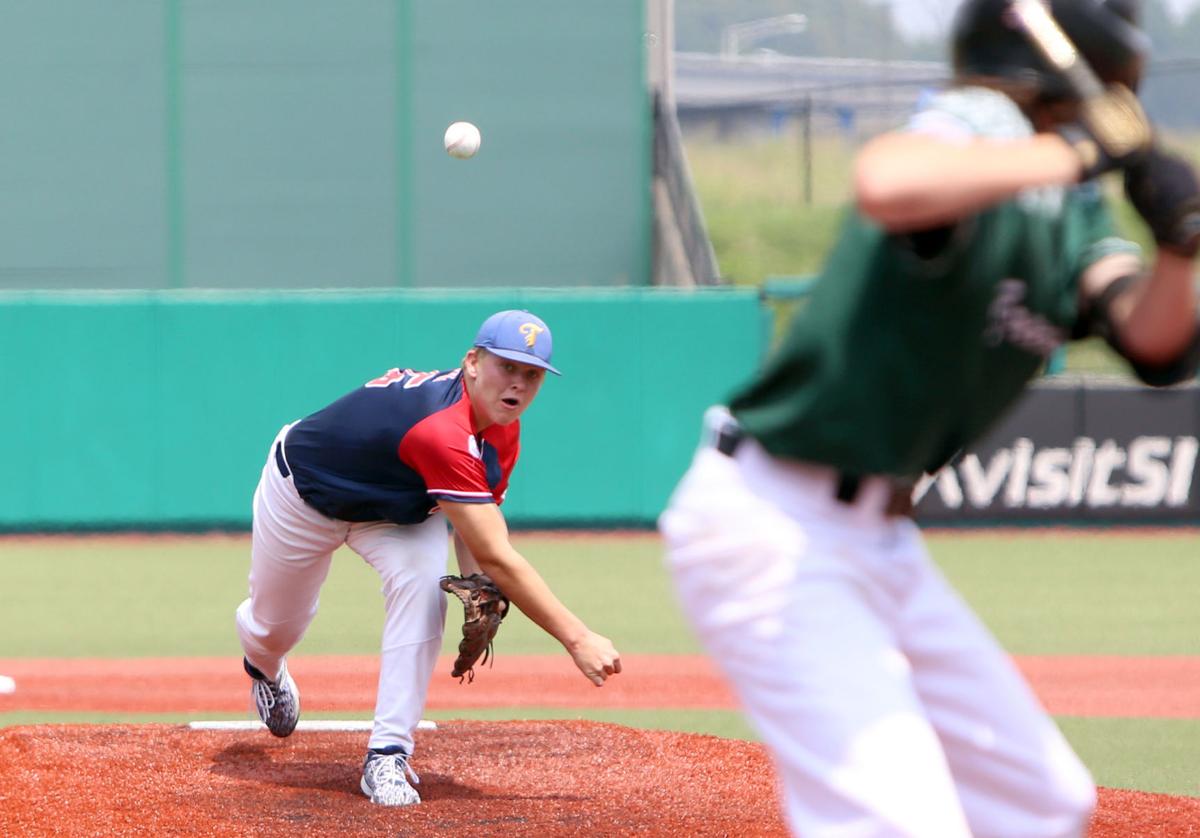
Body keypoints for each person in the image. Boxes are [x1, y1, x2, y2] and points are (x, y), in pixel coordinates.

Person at [659, 1, 1199, 836]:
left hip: (879, 541)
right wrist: (1076, 148)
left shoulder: (1073, 204)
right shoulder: (985, 126)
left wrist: (1181, 243)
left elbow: (1152, 340)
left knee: (1041, 799)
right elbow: (888, 182)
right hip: (776, 520)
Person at [236, 309, 621, 807]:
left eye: (532, 374)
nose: (519, 384)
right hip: (304, 494)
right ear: (473, 362)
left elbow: (479, 533)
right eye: (507, 366)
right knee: (275, 627)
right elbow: (499, 556)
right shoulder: (442, 428)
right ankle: (264, 668)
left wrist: (478, 584)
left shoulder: (502, 428)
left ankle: (388, 754)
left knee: (424, 591)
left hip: (399, 513)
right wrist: (578, 637)